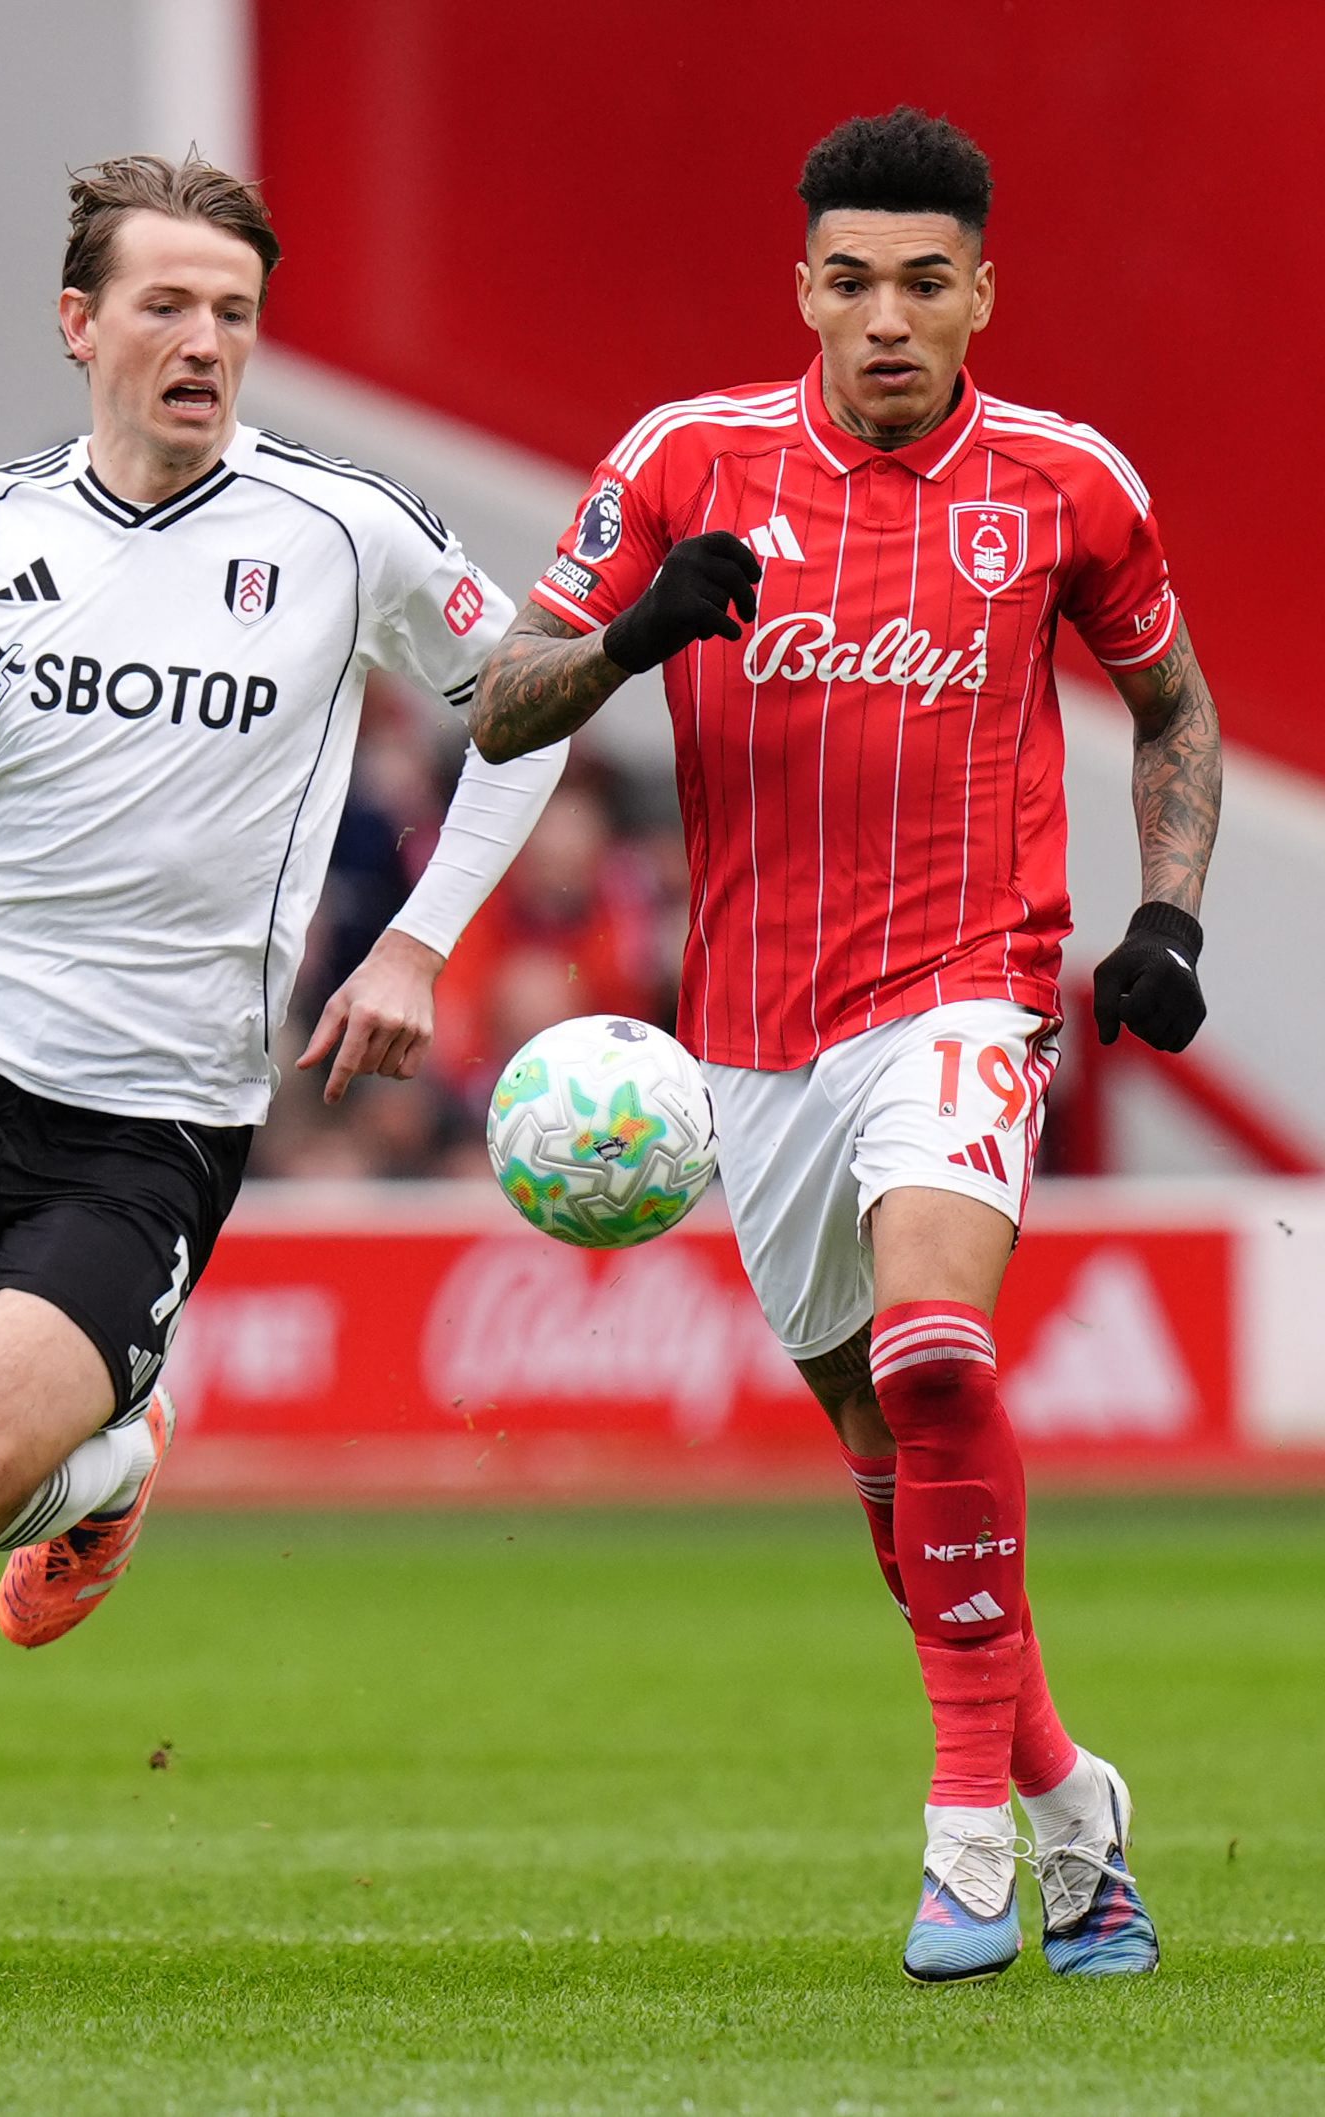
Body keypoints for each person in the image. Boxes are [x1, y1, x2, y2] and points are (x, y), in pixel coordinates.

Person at [0, 152, 566, 1979]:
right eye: (167, 305)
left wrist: (419, 940)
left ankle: (112, 1444)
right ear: (79, 324)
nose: (205, 342)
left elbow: (532, 707)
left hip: (151, 1118)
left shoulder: (342, 531)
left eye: (234, 312)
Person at [471, 107, 1221, 1985]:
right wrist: (635, 636)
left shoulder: (1067, 482)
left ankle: (963, 1829)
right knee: (896, 1469)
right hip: (751, 1039)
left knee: (937, 1348)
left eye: (925, 282)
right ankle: (1068, 1802)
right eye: (853, 280)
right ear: (802, 288)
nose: (889, 316)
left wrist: (1170, 914)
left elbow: (1174, 706)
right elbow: (495, 705)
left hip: (970, 982)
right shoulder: (684, 459)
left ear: (984, 293)